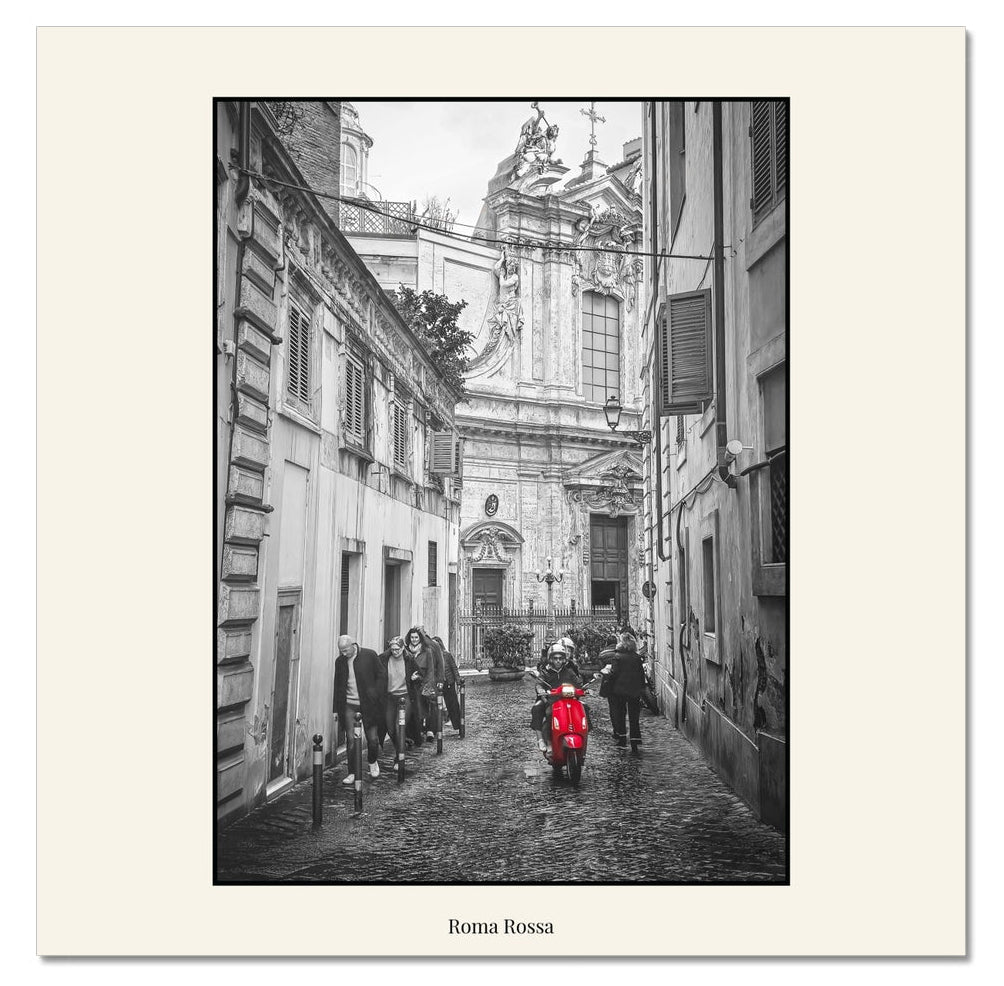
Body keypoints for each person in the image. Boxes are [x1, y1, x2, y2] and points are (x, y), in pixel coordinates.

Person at [333, 634, 387, 782]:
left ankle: (372, 761)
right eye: (341, 650)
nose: (343, 653)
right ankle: (352, 772)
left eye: (345, 650)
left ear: (353, 645)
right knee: (351, 739)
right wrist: (336, 709)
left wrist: (376, 692)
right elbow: (337, 685)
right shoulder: (340, 662)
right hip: (349, 704)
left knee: (373, 739)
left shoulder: (369, 655)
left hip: (369, 704)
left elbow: (382, 674)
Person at [530, 641, 585, 752]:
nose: (558, 661)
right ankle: (544, 740)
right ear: (551, 659)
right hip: (551, 700)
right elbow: (539, 683)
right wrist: (541, 690)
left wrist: (584, 688)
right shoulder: (546, 672)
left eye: (560, 658)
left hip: (568, 700)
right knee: (542, 710)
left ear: (564, 659)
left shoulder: (569, 671)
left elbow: (578, 683)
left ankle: (583, 733)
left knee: (585, 708)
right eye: (555, 658)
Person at [379, 635, 421, 758]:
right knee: (390, 728)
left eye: (397, 649)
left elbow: (420, 676)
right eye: (393, 649)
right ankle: (400, 748)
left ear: (403, 648)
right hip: (390, 697)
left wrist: (415, 678)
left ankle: (399, 757)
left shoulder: (409, 660)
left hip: (405, 697)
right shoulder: (383, 659)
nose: (395, 652)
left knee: (399, 726)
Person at [606, 633, 645, 752]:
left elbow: (614, 673)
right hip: (634, 691)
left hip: (620, 691)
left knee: (620, 715)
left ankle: (622, 740)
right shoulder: (637, 657)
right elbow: (641, 674)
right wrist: (641, 688)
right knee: (634, 717)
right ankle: (634, 741)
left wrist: (607, 673)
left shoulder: (617, 657)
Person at [405, 626, 445, 742]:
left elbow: (437, 665)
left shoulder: (430, 647)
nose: (414, 639)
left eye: (416, 636)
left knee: (428, 706)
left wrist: (438, 681)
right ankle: (415, 733)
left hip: (426, 682)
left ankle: (430, 730)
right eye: (412, 637)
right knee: (415, 709)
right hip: (411, 685)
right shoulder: (407, 650)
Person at [433, 635, 463, 732]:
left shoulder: (446, 654)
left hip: (448, 682)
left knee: (453, 704)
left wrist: (458, 682)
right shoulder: (432, 656)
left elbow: (454, 668)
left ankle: (458, 725)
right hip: (438, 683)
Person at [596, 633, 619, 734]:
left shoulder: (602, 654)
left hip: (609, 684)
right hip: (620, 682)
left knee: (612, 707)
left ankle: (616, 729)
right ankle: (621, 729)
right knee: (621, 707)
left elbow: (601, 670)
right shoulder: (619, 652)